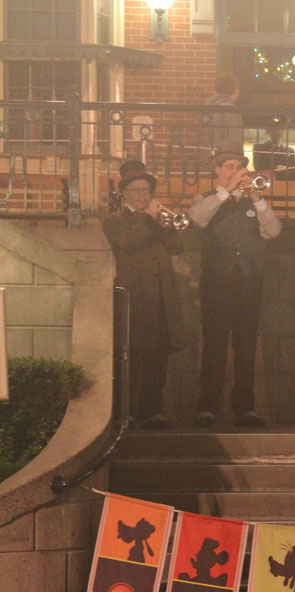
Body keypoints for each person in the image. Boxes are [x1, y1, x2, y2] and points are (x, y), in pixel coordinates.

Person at [189, 140, 282, 428]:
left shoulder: (252, 202)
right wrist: (225, 192)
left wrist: (257, 199)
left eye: (239, 167)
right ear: (216, 170)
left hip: (249, 280)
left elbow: (273, 231)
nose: (235, 171)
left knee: (245, 345)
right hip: (217, 280)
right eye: (229, 167)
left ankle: (245, 407)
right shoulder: (203, 199)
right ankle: (208, 406)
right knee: (215, 344)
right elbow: (198, 219)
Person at [102, 160, 185, 429]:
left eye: (146, 190)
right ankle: (128, 411)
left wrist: (165, 223)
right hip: (135, 300)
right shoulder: (114, 221)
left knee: (158, 359)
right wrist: (149, 219)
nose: (143, 195)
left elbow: (176, 247)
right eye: (137, 190)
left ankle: (153, 410)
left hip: (161, 298)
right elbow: (125, 244)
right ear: (124, 194)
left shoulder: (158, 221)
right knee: (133, 358)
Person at [200, 73, 243, 156]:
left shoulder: (206, 108)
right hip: (225, 160)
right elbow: (234, 139)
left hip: (207, 157)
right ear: (235, 90)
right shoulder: (231, 110)